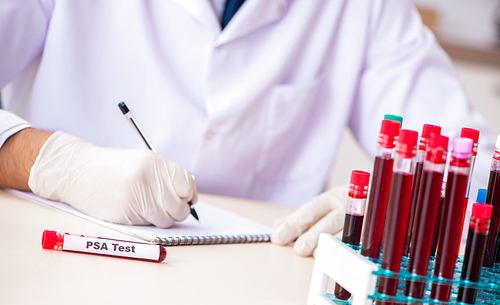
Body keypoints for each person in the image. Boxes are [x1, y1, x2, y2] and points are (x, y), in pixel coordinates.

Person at [0, 0, 495, 256]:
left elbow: (476, 164)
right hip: (57, 251)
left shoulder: (365, 9)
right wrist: (52, 163)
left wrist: (406, 208)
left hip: (250, 292)